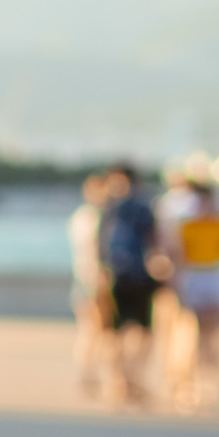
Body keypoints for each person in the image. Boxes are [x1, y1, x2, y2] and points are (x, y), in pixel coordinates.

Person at [98, 164, 159, 407]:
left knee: (143, 332)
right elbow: (100, 243)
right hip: (116, 277)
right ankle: (120, 379)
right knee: (115, 333)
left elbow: (153, 242)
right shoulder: (109, 209)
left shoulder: (142, 209)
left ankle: (133, 376)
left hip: (139, 276)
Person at [170, 179, 219, 409]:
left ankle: (211, 386)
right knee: (192, 335)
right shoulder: (186, 225)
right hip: (195, 277)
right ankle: (189, 385)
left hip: (213, 276)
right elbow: (180, 256)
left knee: (212, 335)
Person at [67, 174, 112, 397]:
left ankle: (89, 374)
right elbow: (91, 251)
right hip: (90, 280)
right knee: (91, 329)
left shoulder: (84, 216)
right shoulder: (91, 217)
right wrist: (97, 279)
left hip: (86, 279)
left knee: (94, 331)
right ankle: (86, 374)